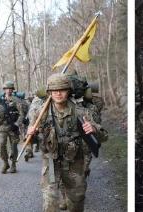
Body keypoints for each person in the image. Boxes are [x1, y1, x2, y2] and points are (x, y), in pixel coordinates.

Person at [26, 73, 106, 212]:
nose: (58, 93)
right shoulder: (40, 112)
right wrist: (31, 134)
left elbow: (104, 136)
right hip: (51, 162)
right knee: (50, 201)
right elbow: (28, 140)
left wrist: (93, 129)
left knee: (76, 201)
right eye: (54, 90)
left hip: (74, 162)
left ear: (68, 91)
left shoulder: (81, 111)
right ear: (49, 92)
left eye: (62, 89)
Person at [0, 81, 27, 173]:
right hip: (2, 127)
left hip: (13, 127)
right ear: (4, 90)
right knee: (1, 145)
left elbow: (22, 114)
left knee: (14, 146)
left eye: (10, 89)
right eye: (7, 89)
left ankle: (13, 164)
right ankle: (5, 163)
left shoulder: (16, 100)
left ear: (12, 90)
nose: (8, 90)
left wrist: (16, 124)